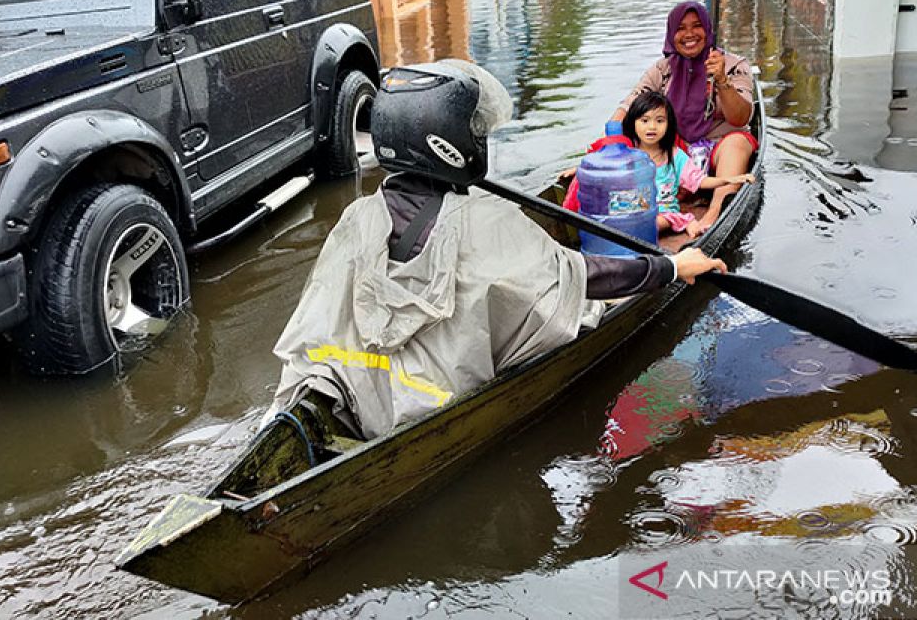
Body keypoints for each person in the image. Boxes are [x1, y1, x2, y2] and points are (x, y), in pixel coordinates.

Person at [264, 59, 727, 440]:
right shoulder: (482, 220)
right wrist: (669, 267)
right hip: (428, 399)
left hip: (352, 387)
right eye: (475, 131)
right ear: (452, 142)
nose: (481, 138)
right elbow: (581, 276)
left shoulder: (357, 216)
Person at [611, 1, 757, 231]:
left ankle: (714, 212)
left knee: (737, 143)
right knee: (637, 135)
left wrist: (721, 80)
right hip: (678, 151)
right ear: (671, 34)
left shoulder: (733, 66)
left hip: (721, 147)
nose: (689, 34)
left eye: (697, 26)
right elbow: (629, 107)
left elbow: (741, 118)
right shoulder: (662, 70)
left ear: (707, 30)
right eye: (681, 28)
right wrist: (607, 147)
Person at [625, 91, 754, 239]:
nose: (652, 127)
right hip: (634, 210)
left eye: (660, 121)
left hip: (664, 213)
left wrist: (730, 180)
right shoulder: (627, 156)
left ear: (668, 124)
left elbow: (701, 181)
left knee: (652, 224)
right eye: (645, 121)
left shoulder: (675, 156)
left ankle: (682, 223)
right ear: (633, 123)